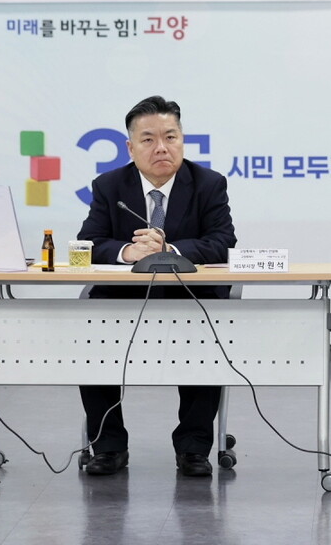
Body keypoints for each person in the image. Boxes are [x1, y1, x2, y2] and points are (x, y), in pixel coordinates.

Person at [77, 95, 237, 477]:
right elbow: (89, 242)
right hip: (122, 301)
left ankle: (194, 449)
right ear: (130, 148)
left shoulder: (209, 184)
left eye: (170, 137)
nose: (161, 147)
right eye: (148, 139)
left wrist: (171, 250)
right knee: (92, 338)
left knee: (206, 340)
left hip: (191, 299)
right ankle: (108, 446)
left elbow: (223, 241)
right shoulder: (109, 185)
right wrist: (129, 252)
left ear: (182, 140)